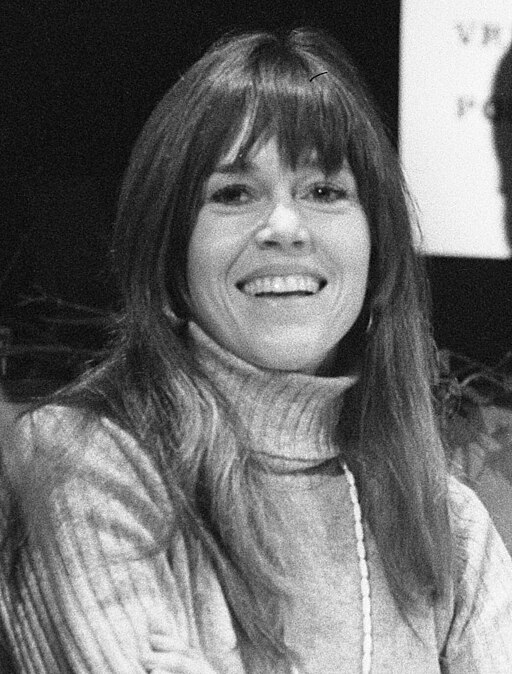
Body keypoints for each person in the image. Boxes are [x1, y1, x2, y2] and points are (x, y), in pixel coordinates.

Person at [1, 27, 512, 674]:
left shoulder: (451, 527)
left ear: (379, 252)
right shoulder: (82, 461)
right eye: (234, 194)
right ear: (170, 255)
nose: (285, 227)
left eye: (324, 191)